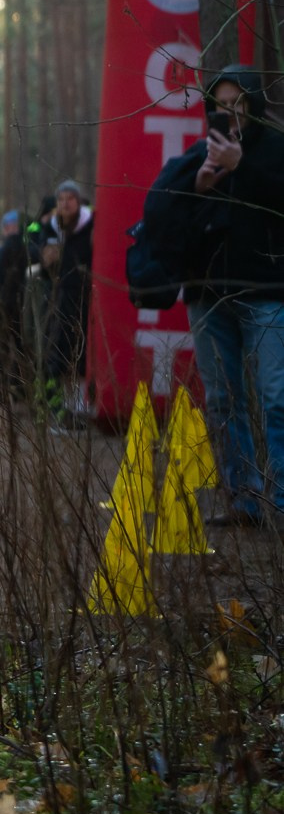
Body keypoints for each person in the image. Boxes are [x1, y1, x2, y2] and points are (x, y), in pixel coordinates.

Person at [143, 67, 284, 527]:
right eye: (222, 107)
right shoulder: (194, 160)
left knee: (275, 396)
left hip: (267, 292)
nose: (232, 114)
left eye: (240, 104)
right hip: (208, 297)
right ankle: (244, 501)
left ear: (255, 106)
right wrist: (198, 188)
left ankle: (280, 503)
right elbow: (164, 220)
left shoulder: (276, 151)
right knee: (223, 401)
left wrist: (243, 166)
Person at [38, 180, 95, 414]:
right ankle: (67, 408)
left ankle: (84, 405)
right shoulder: (51, 228)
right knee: (61, 351)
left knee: (84, 350)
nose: (65, 204)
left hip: (86, 297)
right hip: (58, 298)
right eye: (61, 200)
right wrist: (45, 261)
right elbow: (41, 267)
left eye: (70, 199)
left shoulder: (92, 224)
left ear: (79, 201)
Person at [0, 209, 29, 401]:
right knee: (1, 352)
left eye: (15, 226)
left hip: (22, 312)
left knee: (22, 350)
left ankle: (20, 390)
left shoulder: (29, 250)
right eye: (8, 226)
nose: (11, 229)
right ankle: (2, 390)